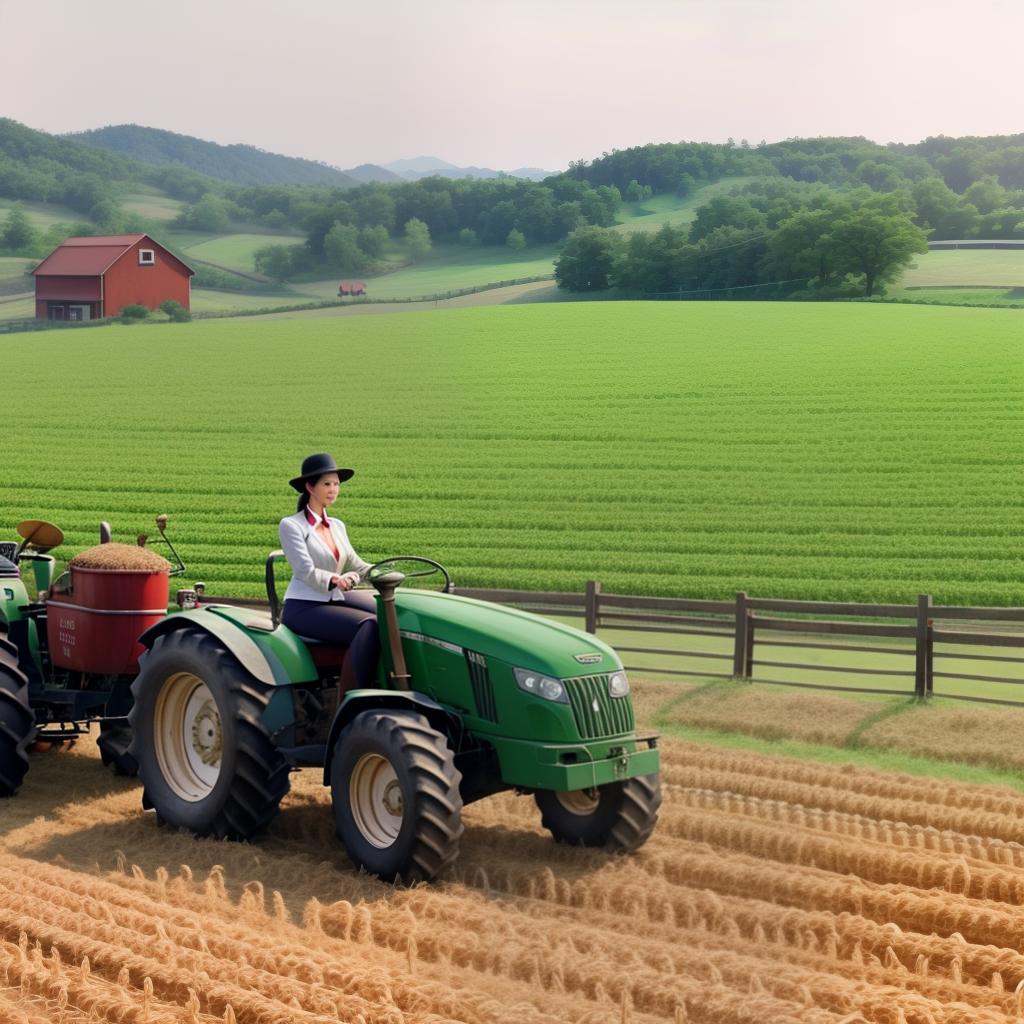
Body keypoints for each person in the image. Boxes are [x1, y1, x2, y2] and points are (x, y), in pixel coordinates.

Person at [278, 453, 378, 690]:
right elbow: (305, 571)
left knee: (388, 612)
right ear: (309, 487)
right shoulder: (291, 525)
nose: (333, 489)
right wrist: (336, 579)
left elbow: (355, 562)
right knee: (369, 625)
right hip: (304, 605)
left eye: (336, 484)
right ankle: (352, 694)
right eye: (327, 484)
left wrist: (380, 571)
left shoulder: (337, 525)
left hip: (333, 597)